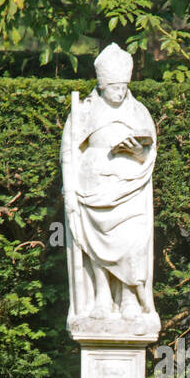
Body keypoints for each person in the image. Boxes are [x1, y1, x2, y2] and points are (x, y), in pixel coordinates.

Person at [61, 43, 158, 324]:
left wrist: (137, 151)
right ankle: (102, 296)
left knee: (133, 242)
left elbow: (148, 153)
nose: (120, 92)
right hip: (93, 188)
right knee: (95, 243)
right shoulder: (84, 111)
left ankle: (129, 297)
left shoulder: (139, 111)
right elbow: (69, 153)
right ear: (101, 86)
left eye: (124, 86)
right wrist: (70, 191)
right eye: (114, 87)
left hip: (131, 188)